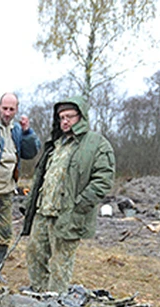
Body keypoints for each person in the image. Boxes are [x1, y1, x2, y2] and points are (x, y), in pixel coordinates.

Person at [21, 96, 115, 293]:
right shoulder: (56, 144)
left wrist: (80, 205)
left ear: (81, 116)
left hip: (69, 215)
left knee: (60, 263)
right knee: (34, 253)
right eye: (61, 117)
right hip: (44, 211)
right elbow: (42, 177)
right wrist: (30, 205)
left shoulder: (97, 144)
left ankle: (54, 304)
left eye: (70, 117)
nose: (65, 121)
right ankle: (39, 294)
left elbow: (104, 179)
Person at [0, 92, 41, 279]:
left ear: (16, 110)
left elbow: (31, 152)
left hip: (6, 191)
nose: (8, 113)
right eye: (5, 108)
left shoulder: (16, 129)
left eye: (12, 109)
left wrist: (27, 132)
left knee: (5, 234)